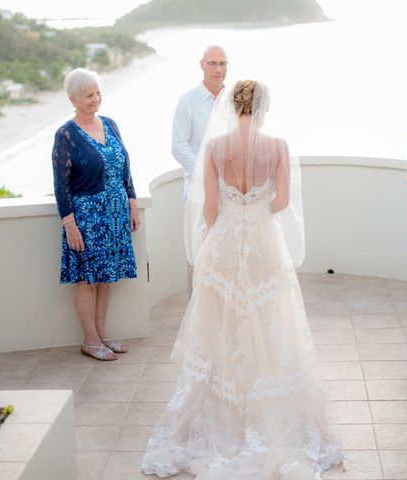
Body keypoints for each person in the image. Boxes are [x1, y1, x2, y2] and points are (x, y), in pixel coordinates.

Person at [142, 80, 342, 479]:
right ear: (264, 107)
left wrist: (218, 240)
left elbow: (210, 207)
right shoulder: (279, 147)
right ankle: (266, 405)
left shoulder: (215, 148)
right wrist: (257, 206)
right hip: (265, 244)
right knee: (269, 322)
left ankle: (228, 400)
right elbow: (282, 202)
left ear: (232, 107)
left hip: (225, 244)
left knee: (223, 325)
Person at [52, 68, 139, 361]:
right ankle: (90, 341)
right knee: (88, 279)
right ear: (73, 99)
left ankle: (102, 334)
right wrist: (70, 225)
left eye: (98, 93)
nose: (96, 99)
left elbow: (125, 169)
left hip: (115, 214)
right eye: (89, 95)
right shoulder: (65, 135)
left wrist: (133, 202)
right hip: (87, 217)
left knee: (106, 277)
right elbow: (61, 185)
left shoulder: (111, 124)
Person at [172, 45, 228, 193]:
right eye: (212, 63)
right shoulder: (187, 102)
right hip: (199, 187)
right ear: (202, 65)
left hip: (231, 187)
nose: (218, 69)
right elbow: (178, 146)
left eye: (222, 64)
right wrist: (206, 173)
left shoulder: (234, 101)